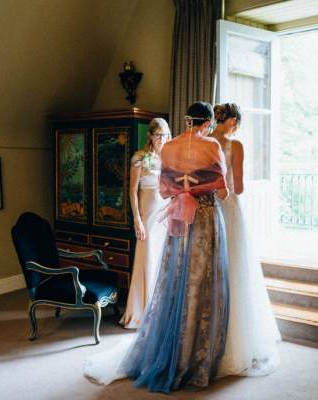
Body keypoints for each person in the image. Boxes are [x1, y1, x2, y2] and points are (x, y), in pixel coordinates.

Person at [84, 101, 230, 393]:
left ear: (187, 120)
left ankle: (170, 346)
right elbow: (223, 191)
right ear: (207, 123)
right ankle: (196, 353)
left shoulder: (171, 148)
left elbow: (164, 190)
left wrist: (183, 189)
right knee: (202, 281)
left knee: (175, 277)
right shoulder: (212, 146)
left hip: (178, 218)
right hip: (203, 218)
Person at [211, 103, 281, 377]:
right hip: (229, 210)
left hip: (205, 210)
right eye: (237, 123)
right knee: (236, 270)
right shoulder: (234, 146)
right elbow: (237, 187)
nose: (237, 127)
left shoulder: (202, 142)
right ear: (232, 122)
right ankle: (235, 339)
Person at [119, 118, 171, 329]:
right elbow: (132, 192)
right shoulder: (139, 158)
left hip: (165, 215)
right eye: (157, 135)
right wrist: (137, 221)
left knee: (162, 261)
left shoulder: (169, 158)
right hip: (147, 216)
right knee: (147, 259)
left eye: (164, 135)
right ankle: (142, 312)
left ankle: (160, 311)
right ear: (150, 135)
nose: (161, 139)